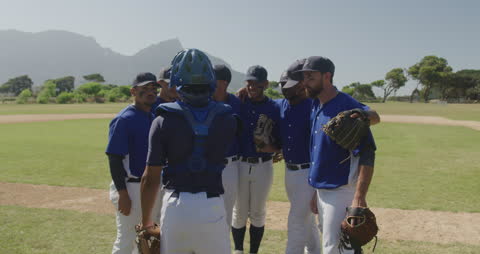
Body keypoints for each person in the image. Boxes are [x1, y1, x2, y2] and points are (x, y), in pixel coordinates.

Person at [140, 48, 238, 254]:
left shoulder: (162, 120)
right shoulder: (227, 119)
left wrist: (147, 222)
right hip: (212, 205)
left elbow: (150, 179)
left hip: (176, 207)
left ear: (176, 81)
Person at [299, 56, 378, 254]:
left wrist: (359, 197)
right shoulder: (316, 105)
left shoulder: (348, 108)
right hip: (322, 190)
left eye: (310, 76)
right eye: (304, 76)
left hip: (341, 191)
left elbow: (368, 153)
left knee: (336, 249)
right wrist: (314, 191)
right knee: (333, 246)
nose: (305, 82)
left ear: (327, 76)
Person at [106, 72, 163, 254]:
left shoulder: (153, 116)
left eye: (153, 88)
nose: (150, 92)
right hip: (131, 187)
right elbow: (114, 158)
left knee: (149, 238)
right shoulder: (124, 119)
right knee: (127, 239)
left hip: (151, 186)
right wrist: (122, 193)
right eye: (144, 88)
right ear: (133, 91)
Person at [232, 65, 281, 254]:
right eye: (249, 83)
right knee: (239, 212)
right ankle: (238, 250)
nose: (252, 87)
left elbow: (281, 139)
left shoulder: (274, 107)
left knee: (258, 212)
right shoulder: (239, 102)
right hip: (240, 163)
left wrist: (273, 148)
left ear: (265, 84)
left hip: (263, 165)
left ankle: (253, 251)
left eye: (256, 83)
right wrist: (237, 94)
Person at [275, 59, 322, 254]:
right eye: (283, 85)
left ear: (302, 85)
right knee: (307, 220)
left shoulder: (315, 106)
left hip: (308, 173)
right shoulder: (281, 105)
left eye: (289, 86)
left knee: (296, 222)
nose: (285, 89)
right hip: (290, 173)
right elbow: (261, 103)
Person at [213, 64, 242, 227]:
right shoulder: (202, 101)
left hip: (230, 165)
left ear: (223, 83)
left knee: (226, 212)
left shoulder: (236, 103)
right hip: (207, 164)